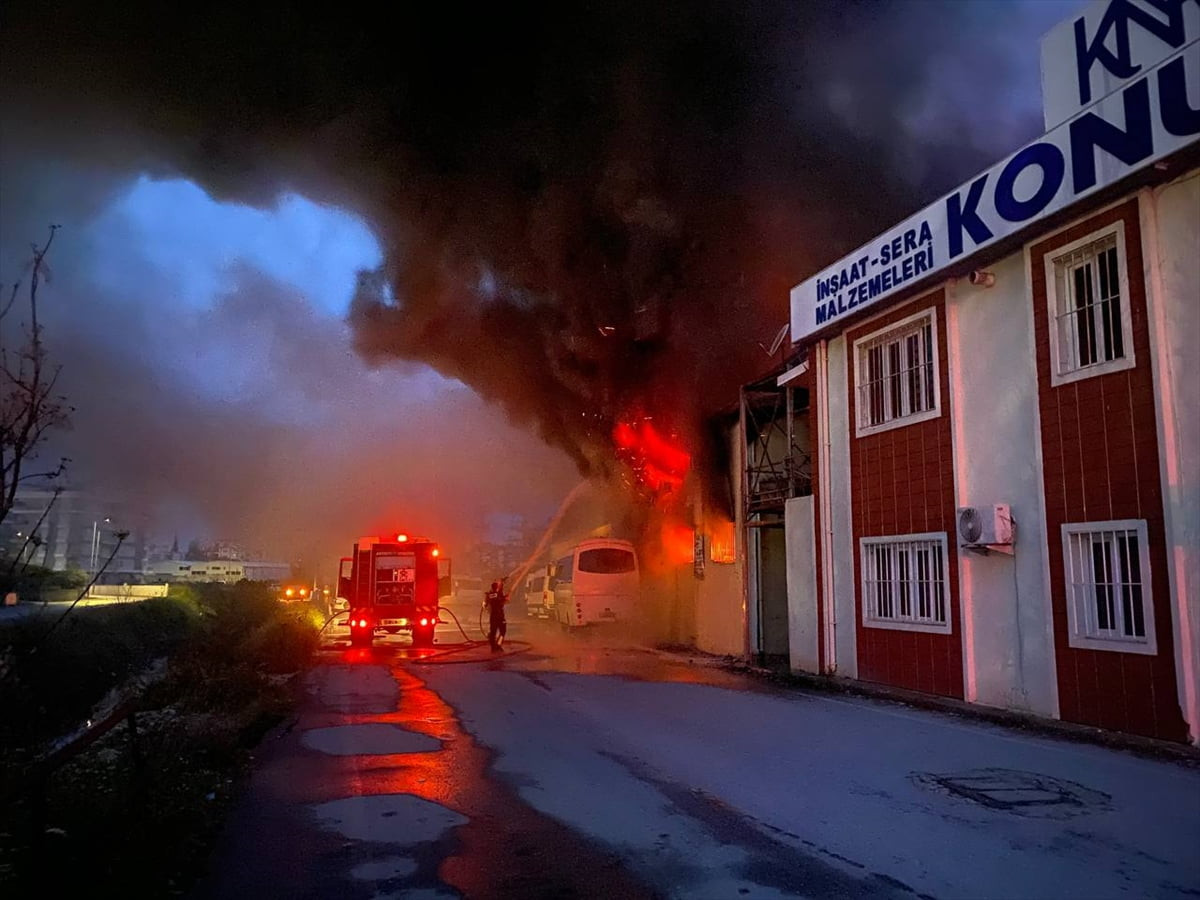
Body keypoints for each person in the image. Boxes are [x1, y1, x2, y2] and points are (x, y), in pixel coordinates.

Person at [484, 579, 508, 652]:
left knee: (493, 632)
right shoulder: (497, 594)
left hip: (493, 616)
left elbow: (485, 605)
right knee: (503, 631)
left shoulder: (489, 595)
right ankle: (498, 645)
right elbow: (501, 599)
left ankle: (493, 647)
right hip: (500, 616)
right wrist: (505, 598)